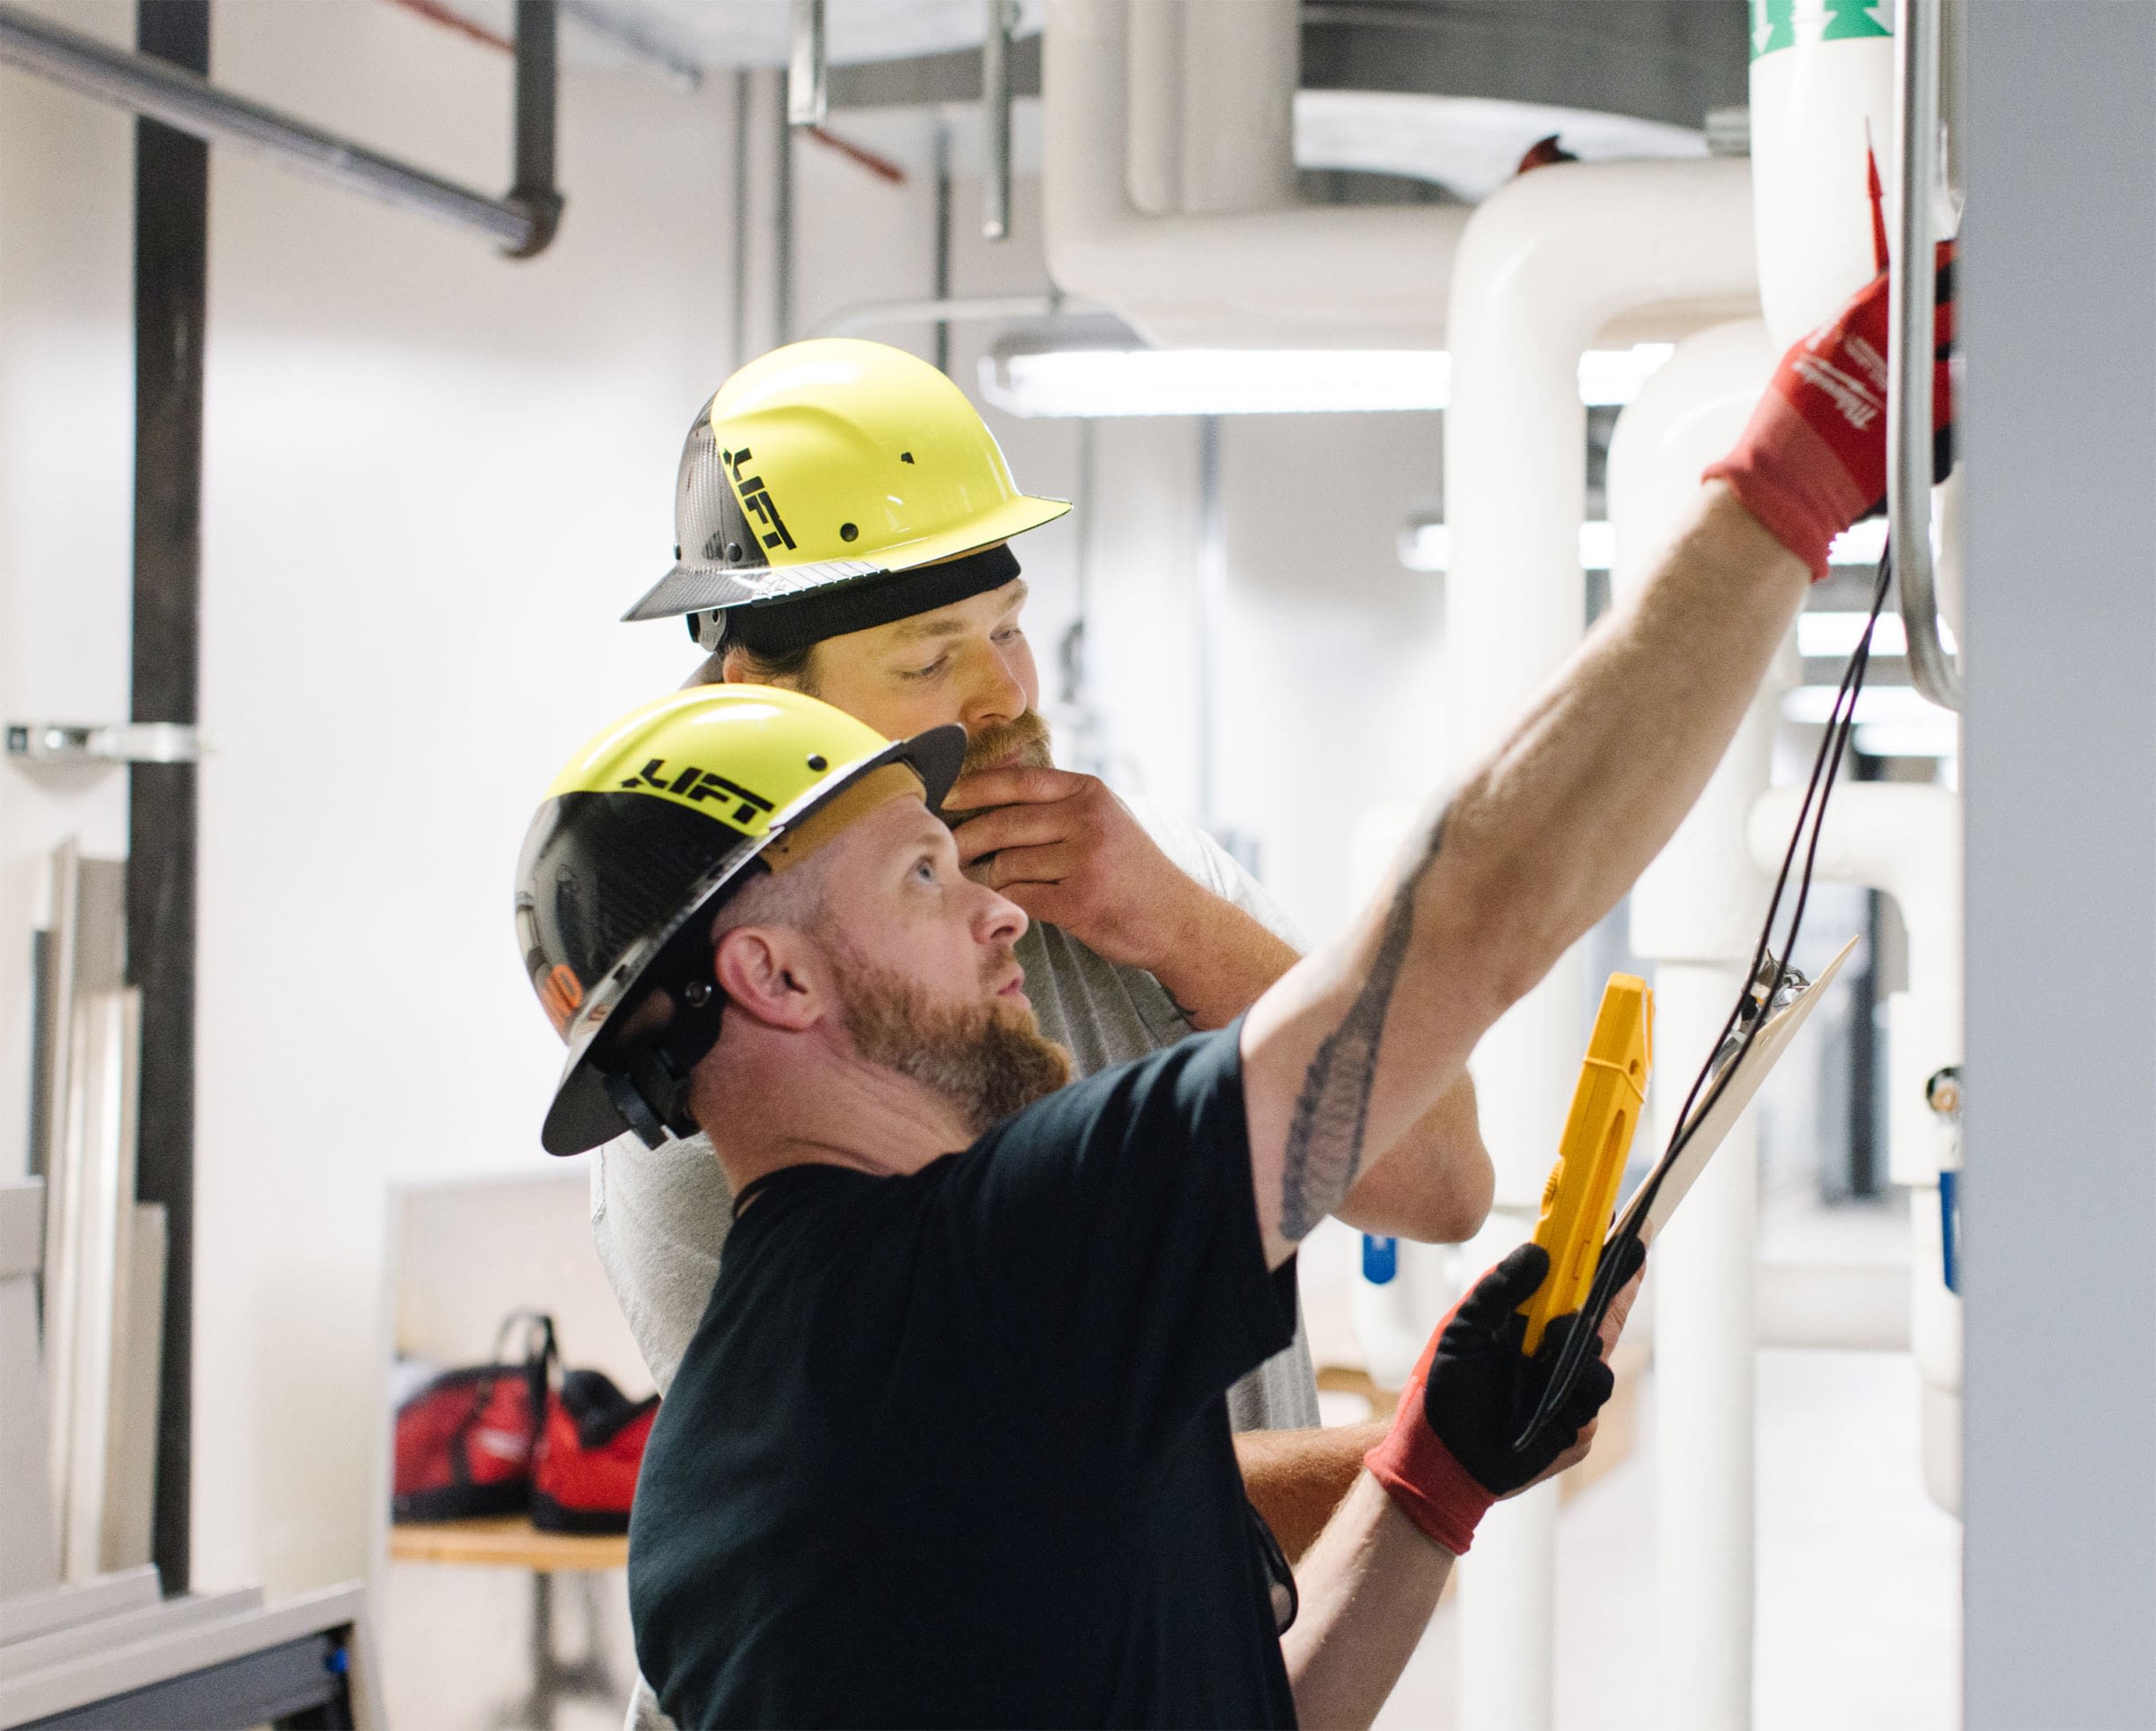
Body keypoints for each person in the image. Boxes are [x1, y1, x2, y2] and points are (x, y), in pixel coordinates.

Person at [512, 253, 1948, 1725]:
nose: (1002, 702)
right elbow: (1464, 926)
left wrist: (1430, 1481)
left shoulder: (822, 1385)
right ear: (771, 971)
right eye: (921, 873)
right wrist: (1795, 473)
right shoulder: (971, 1273)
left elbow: (1202, 1669)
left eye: (1008, 630)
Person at [588, 337, 1494, 1548]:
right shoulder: (724, 1053)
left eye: (1006, 630)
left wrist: (1176, 923)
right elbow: (978, 1528)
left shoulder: (1148, 881)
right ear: (763, 694)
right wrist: (1429, 1457)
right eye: (928, 659)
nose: (1002, 695)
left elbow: (1439, 1183)